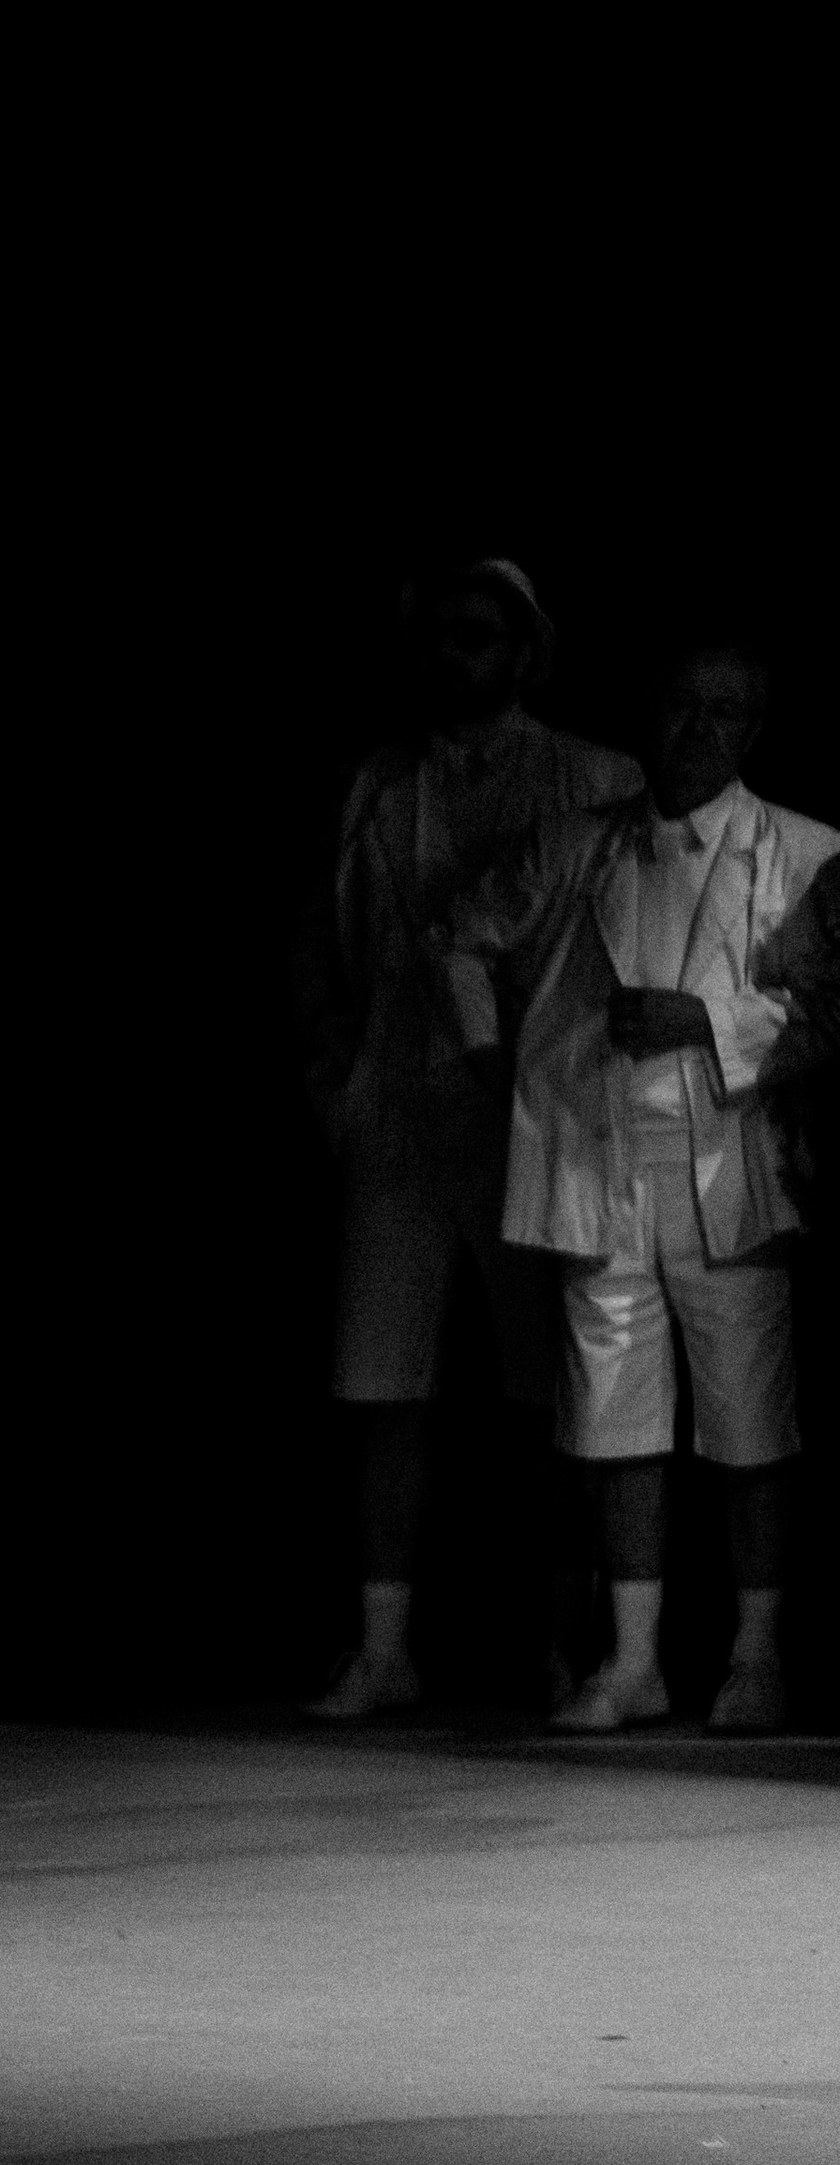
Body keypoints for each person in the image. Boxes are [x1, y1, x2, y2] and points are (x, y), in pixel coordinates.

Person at [440, 640, 839, 1734]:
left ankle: (755, 1656)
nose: (701, 732)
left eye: (728, 714)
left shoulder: (804, 851)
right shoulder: (579, 844)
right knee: (612, 1427)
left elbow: (830, 1012)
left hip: (727, 1168)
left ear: (754, 730)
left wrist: (709, 1022)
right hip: (600, 1162)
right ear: (649, 714)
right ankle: (631, 1662)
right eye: (683, 708)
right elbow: (461, 939)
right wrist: (491, 1059)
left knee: (750, 1426)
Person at [296, 561, 641, 1718]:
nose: (457, 658)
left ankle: (565, 1641)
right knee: (382, 1382)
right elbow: (330, 944)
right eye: (441, 637)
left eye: (479, 639)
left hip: (539, 1118)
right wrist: (335, 1082)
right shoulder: (382, 781)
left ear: (524, 651)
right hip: (397, 1115)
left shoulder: (593, 778)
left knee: (559, 1390)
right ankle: (383, 1645)